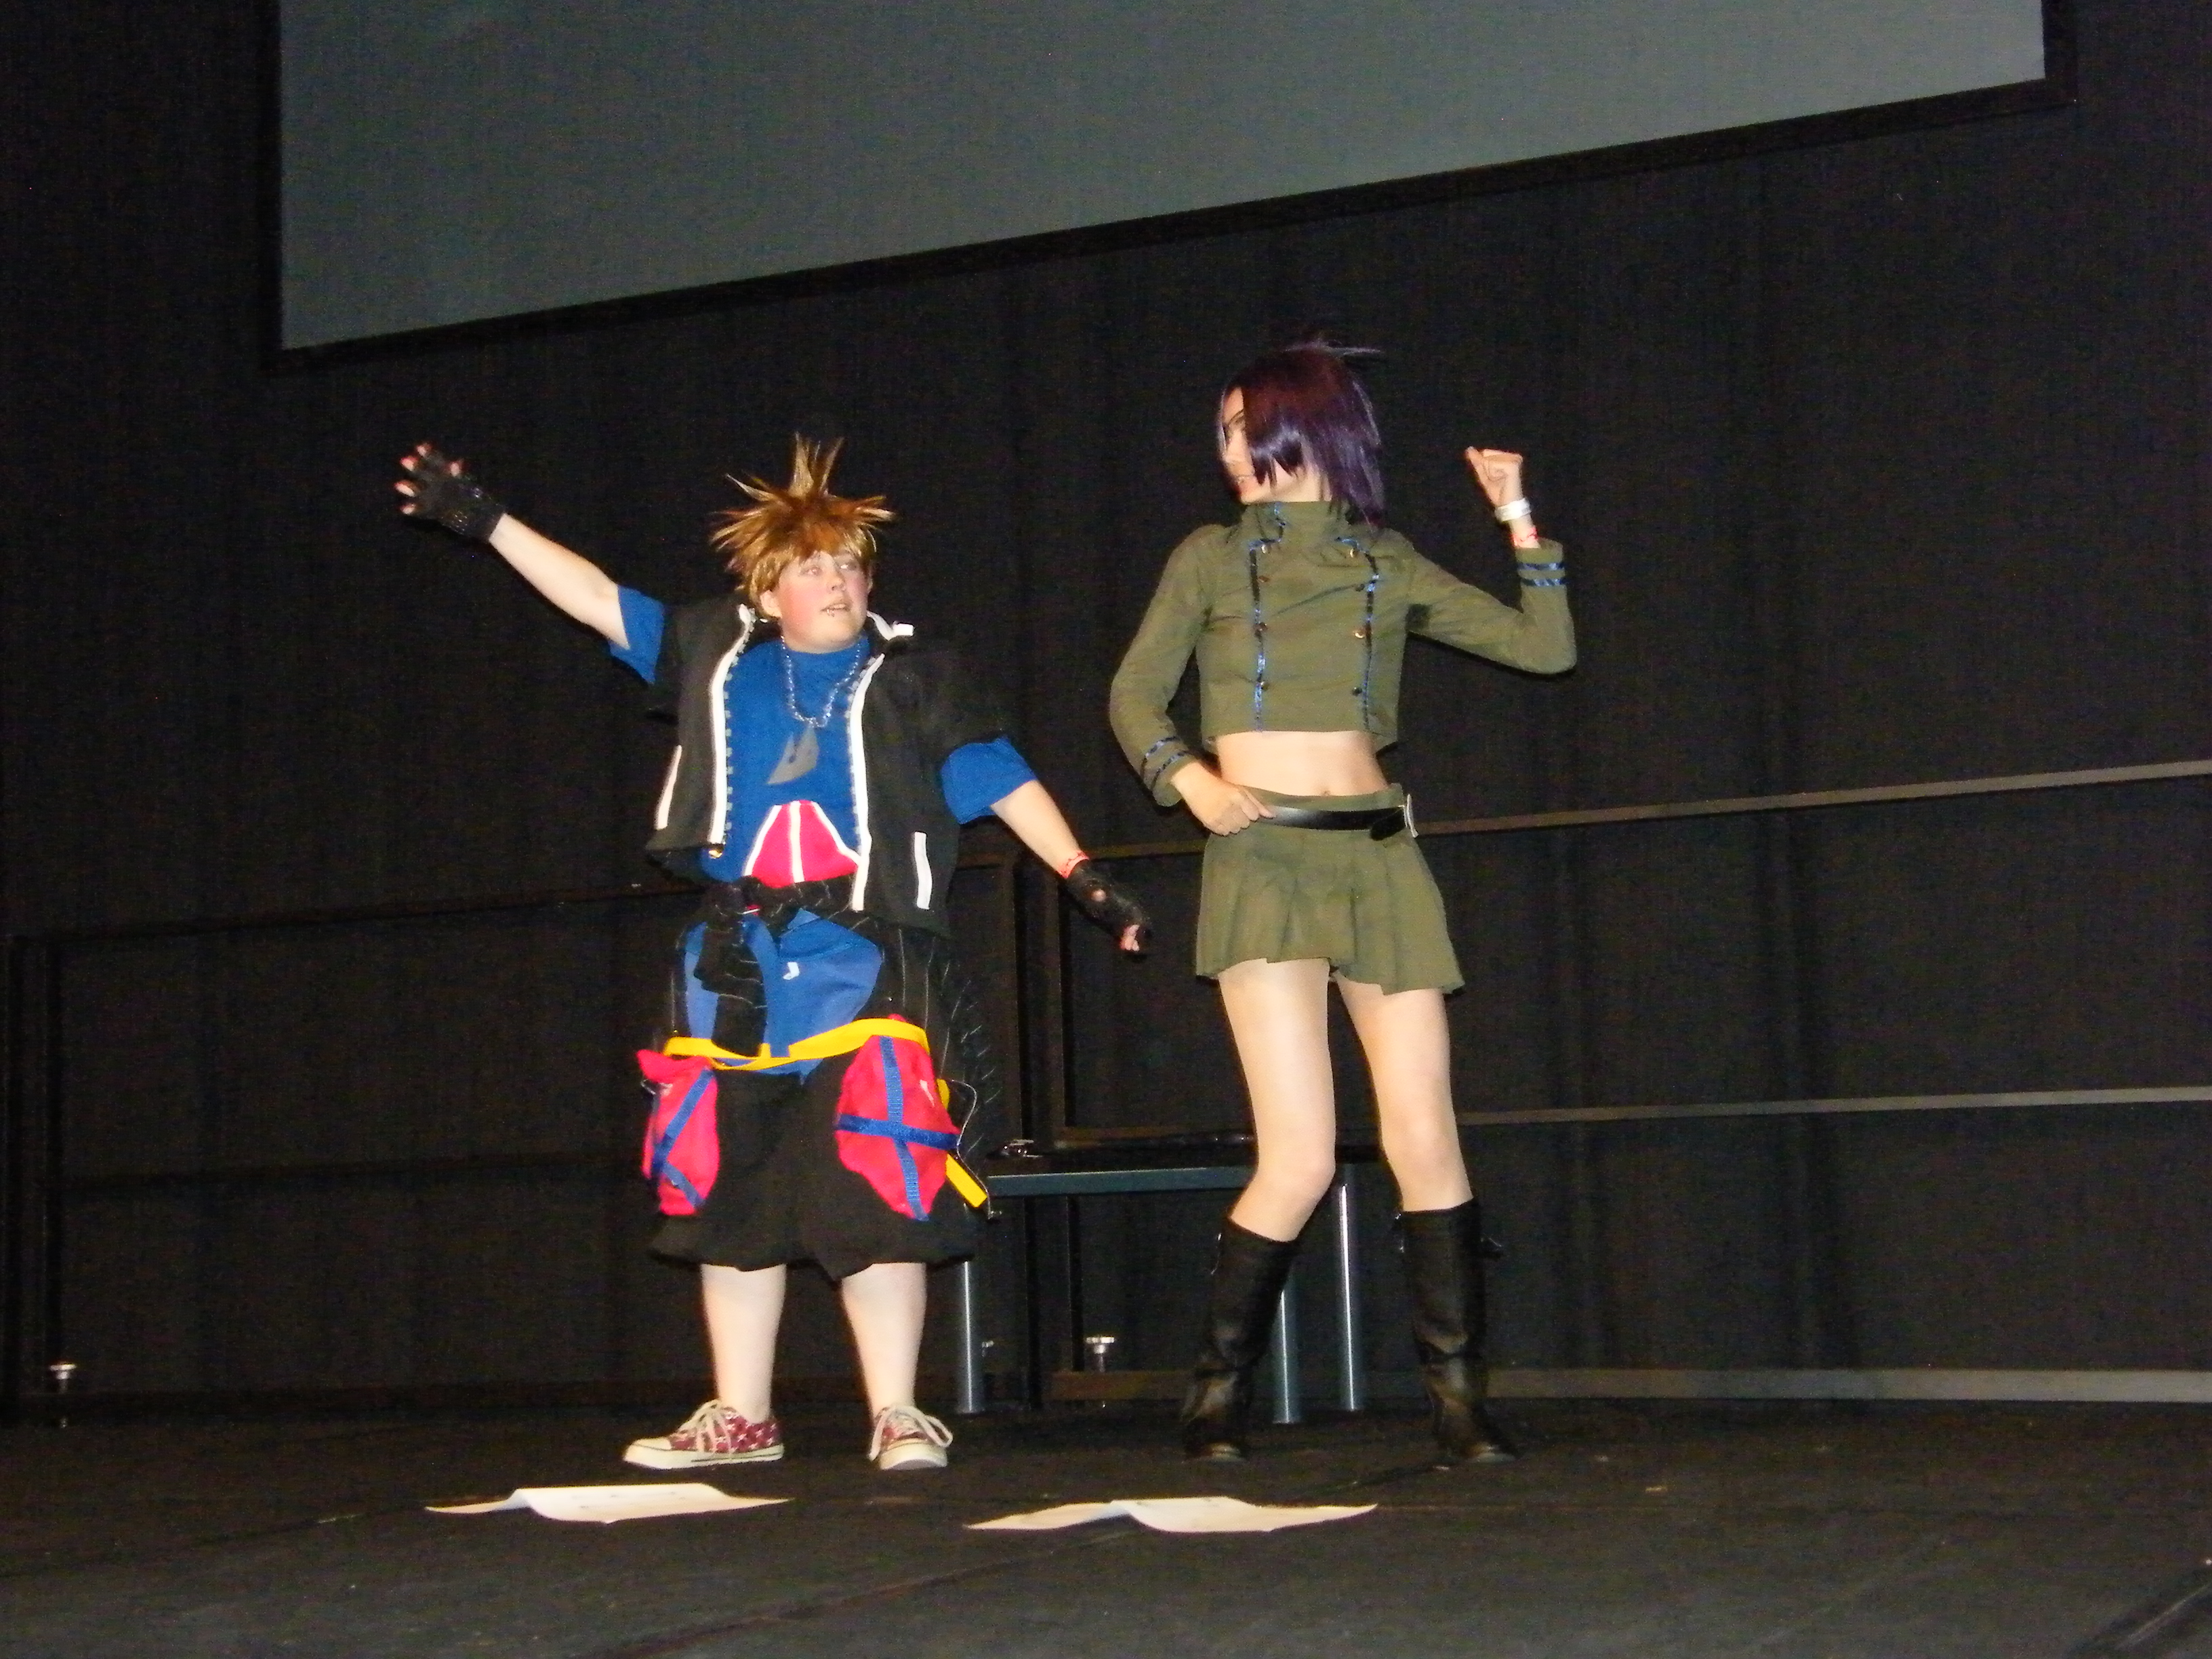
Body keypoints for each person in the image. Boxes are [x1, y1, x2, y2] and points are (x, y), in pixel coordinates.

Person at [398, 436, 1147, 1471]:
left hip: (864, 961)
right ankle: (740, 1414)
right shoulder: (719, 659)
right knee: (722, 1185)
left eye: (849, 564)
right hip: (734, 966)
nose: (836, 581)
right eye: (812, 567)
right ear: (767, 589)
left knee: (878, 1171)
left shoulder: (917, 679)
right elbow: (599, 601)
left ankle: (897, 1410)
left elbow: (1002, 778)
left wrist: (1083, 875)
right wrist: (489, 523)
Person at [1109, 337, 1576, 1463]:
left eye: (1245, 429)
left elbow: (1545, 649)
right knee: (1301, 1154)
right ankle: (1215, 1392)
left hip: (1375, 855)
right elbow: (1133, 695)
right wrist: (1187, 779)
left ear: (1305, 429)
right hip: (1263, 859)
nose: (1229, 451)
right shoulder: (1209, 558)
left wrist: (1519, 518)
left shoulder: (1384, 560)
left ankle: (1460, 1403)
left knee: (1426, 1135)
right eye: (1224, 432)